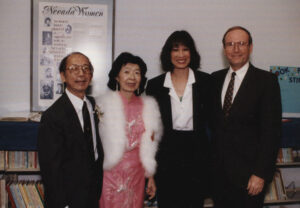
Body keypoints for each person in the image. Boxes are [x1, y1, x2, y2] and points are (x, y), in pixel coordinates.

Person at [211, 26, 282, 208]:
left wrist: (260, 174)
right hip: (219, 178)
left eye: (241, 44)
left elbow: (271, 133)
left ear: (250, 47)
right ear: (224, 49)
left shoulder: (266, 81)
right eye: (230, 44)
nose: (235, 49)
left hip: (250, 179)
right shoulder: (214, 79)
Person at [146, 30, 214, 208]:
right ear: (168, 54)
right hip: (167, 158)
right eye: (175, 50)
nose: (181, 55)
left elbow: (214, 124)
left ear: (192, 53)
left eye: (186, 49)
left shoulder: (206, 82)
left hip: (197, 157)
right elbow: (150, 130)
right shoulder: (154, 85)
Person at [38, 52, 104, 208]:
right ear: (63, 76)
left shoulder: (93, 105)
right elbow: (50, 169)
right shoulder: (52, 116)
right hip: (67, 198)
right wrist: (63, 204)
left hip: (92, 194)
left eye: (85, 68)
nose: (81, 73)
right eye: (73, 68)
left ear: (91, 74)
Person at [97, 52, 163, 208]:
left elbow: (150, 145)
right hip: (110, 173)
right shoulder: (103, 105)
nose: (132, 77)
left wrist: (151, 176)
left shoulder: (149, 107)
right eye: (126, 72)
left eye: (137, 73)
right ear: (116, 77)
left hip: (137, 175)